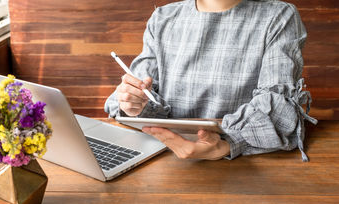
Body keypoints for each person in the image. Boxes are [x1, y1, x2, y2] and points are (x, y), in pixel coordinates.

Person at [104, 0, 317, 161]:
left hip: (243, 165)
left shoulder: (278, 16)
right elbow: (136, 91)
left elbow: (279, 109)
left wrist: (227, 144)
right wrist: (135, 105)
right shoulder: (162, 18)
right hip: (163, 157)